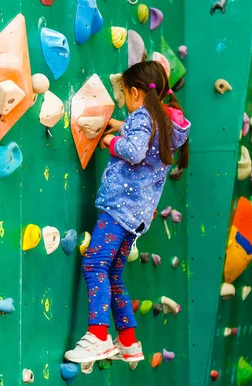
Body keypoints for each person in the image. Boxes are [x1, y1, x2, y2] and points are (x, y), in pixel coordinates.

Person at [64, 61, 191, 365]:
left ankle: (97, 336)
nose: (124, 100)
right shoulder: (163, 121)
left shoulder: (144, 118)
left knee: (95, 264)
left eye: (123, 94)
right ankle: (129, 342)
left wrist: (111, 140)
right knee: (114, 274)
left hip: (119, 208)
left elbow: (134, 150)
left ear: (135, 92)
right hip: (137, 215)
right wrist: (123, 125)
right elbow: (144, 133)